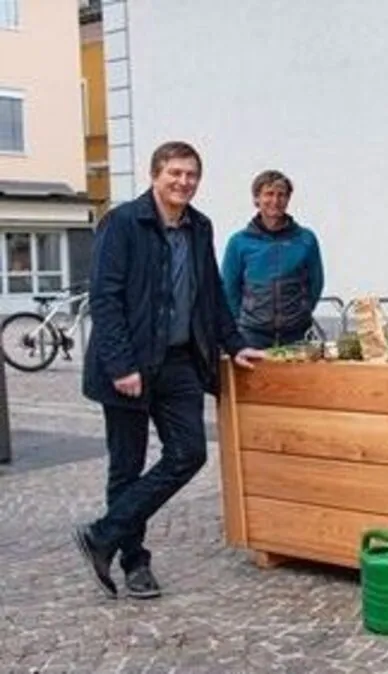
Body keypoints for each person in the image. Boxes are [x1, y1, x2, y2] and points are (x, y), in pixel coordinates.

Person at [75, 141, 265, 599]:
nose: (183, 182)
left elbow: (212, 293)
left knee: (189, 452)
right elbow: (105, 298)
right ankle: (134, 562)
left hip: (179, 361)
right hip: (128, 365)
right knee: (127, 465)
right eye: (175, 173)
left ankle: (103, 534)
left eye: (191, 175)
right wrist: (121, 364)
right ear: (155, 175)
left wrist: (235, 344)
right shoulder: (122, 223)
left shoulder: (200, 227)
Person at [220, 170, 325, 348]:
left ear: (288, 199)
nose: (275, 201)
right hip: (252, 336)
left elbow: (316, 283)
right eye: (269, 194)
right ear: (256, 199)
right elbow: (229, 288)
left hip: (297, 335)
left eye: (281, 195)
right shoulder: (239, 242)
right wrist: (244, 319)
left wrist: (302, 310)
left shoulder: (306, 239)